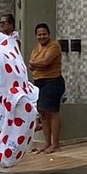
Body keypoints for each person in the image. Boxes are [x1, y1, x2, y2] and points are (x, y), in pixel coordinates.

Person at [28, 23, 64, 153]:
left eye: (44, 34)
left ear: (48, 34)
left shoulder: (54, 45)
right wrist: (36, 64)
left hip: (53, 81)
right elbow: (31, 65)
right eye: (39, 34)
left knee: (52, 112)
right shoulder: (36, 47)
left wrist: (35, 63)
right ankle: (47, 143)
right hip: (39, 83)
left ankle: (55, 144)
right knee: (43, 113)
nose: (42, 36)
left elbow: (45, 62)